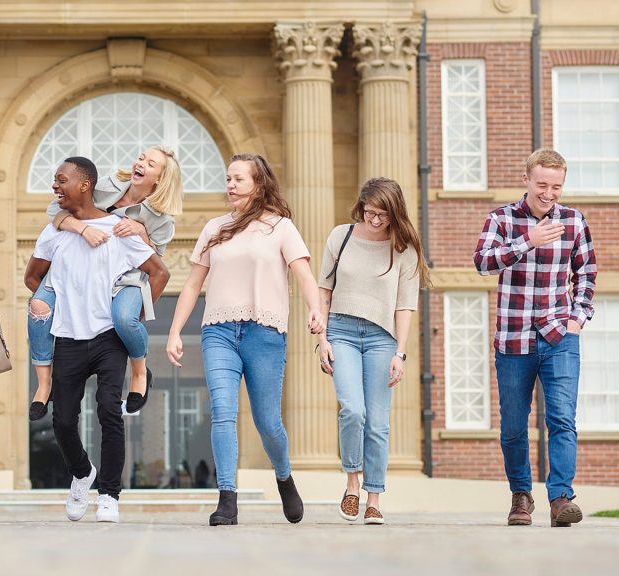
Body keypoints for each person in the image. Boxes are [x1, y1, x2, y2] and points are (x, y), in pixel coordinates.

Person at [166, 153, 323, 526]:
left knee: (268, 422)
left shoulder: (281, 227)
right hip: (218, 331)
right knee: (222, 412)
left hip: (264, 333)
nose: (230, 185)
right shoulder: (214, 228)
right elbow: (192, 285)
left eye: (238, 179)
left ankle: (284, 478)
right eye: (228, 178)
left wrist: (316, 309)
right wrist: (174, 331)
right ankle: (227, 500)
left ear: (258, 183)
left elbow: (303, 274)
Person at [24, 157, 170, 523]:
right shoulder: (54, 231)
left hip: (108, 337)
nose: (55, 187)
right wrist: (60, 301)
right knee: (62, 421)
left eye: (61, 181)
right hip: (69, 337)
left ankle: (109, 495)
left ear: (85, 185)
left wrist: (132, 318)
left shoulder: (119, 229)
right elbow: (33, 278)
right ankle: (81, 473)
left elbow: (159, 272)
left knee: (109, 411)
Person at [473, 148, 596, 527]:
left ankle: (561, 497)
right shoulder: (501, 219)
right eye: (542, 184)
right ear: (526, 179)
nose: (549, 193)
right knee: (513, 425)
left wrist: (578, 318)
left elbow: (586, 275)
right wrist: (529, 240)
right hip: (513, 338)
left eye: (556, 186)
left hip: (560, 336)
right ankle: (521, 496)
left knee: (562, 418)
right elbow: (482, 263)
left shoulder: (574, 222)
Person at [28, 146, 183, 420]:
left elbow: (154, 265)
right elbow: (57, 209)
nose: (141, 163)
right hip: (82, 262)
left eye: (151, 163)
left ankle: (139, 373)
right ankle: (44, 383)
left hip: (127, 277)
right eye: (141, 157)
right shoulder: (109, 184)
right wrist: (82, 228)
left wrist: (142, 232)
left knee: (124, 318)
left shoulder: (163, 219)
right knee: (38, 305)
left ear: (160, 178)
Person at [316, 177, 430, 525]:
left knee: (378, 422)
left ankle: (374, 497)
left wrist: (401, 353)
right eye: (370, 213)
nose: (376, 220)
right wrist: (322, 339)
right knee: (353, 410)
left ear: (394, 213)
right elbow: (323, 290)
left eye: (383, 214)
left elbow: (405, 306)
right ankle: (352, 485)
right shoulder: (342, 236)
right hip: (342, 331)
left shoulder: (404, 249)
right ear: (360, 207)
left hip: (383, 338)